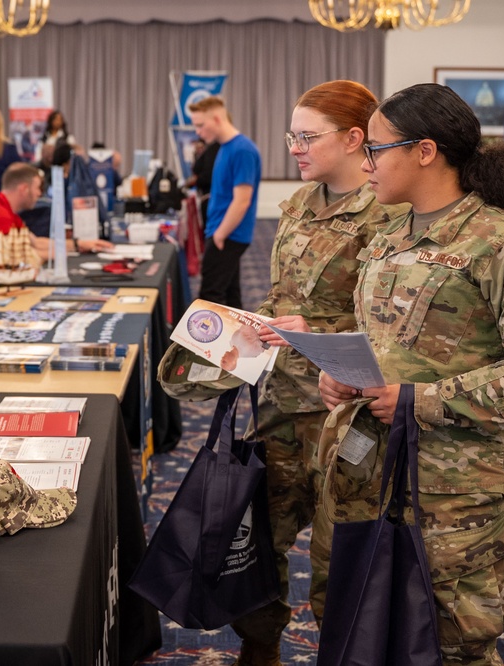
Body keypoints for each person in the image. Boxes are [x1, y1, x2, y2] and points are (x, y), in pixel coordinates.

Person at [316, 83, 504, 665]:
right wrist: (341, 380)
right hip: (369, 473)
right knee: (362, 626)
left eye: (376, 149)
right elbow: (382, 344)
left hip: (456, 493)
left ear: (425, 151)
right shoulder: (386, 238)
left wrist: (422, 399)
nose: (364, 162)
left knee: (453, 640)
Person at [221, 81, 404, 666]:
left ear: (355, 139)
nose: (295, 147)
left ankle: (342, 652)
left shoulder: (392, 214)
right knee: (262, 538)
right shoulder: (300, 204)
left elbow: (403, 323)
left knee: (340, 549)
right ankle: (260, 646)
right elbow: (281, 296)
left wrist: (316, 324)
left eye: (307, 136)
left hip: (345, 411)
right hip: (281, 400)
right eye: (291, 136)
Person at [0, 163, 113, 314]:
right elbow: (26, 254)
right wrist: (62, 254)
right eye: (37, 188)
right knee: (23, 303)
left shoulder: (3, 209)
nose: (39, 194)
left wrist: (78, 244)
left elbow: (36, 242)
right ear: (24, 188)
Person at [188, 96, 261, 309]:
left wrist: (220, 234)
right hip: (222, 231)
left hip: (228, 234)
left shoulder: (242, 150)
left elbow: (242, 200)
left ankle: (205, 343)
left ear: (217, 119)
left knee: (209, 297)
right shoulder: (225, 147)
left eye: (201, 125)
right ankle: (237, 341)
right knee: (230, 296)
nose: (198, 132)